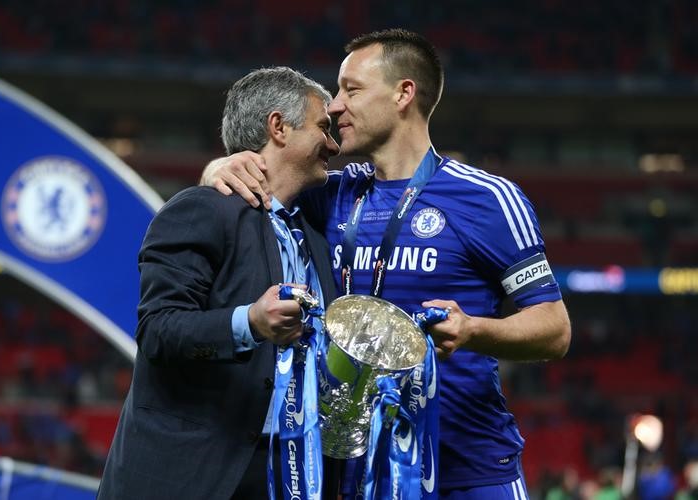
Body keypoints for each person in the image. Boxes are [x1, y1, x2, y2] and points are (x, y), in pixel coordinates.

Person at [202, 29, 571, 499]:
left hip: (468, 472)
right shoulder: (330, 196)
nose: (334, 107)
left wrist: (474, 330)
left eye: (351, 90)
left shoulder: (486, 199)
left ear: (404, 94)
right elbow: (250, 188)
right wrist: (218, 169)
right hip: (357, 474)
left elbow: (555, 329)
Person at [98, 67, 340, 500]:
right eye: (323, 127)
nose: (334, 144)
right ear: (278, 127)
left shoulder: (317, 236)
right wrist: (249, 322)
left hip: (286, 474)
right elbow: (158, 331)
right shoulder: (201, 210)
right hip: (193, 475)